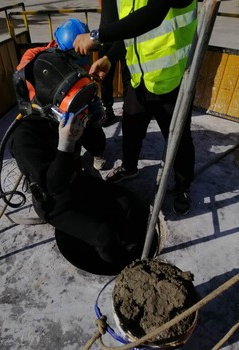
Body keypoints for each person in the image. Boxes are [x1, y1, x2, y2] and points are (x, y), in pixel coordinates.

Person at [9, 46, 153, 274]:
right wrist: (65, 146)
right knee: (104, 236)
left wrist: (93, 124)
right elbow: (53, 186)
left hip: (77, 180)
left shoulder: (63, 114)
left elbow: (96, 147)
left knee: (129, 203)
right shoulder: (24, 136)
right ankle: (124, 273)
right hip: (54, 202)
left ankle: (132, 252)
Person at [73, 0, 197, 215]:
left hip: (173, 80)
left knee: (178, 139)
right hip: (139, 78)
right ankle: (129, 168)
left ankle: (183, 186)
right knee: (132, 128)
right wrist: (110, 58)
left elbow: (152, 16)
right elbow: (131, 32)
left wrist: (95, 36)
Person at [16, 18, 106, 171]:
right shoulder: (35, 57)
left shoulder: (80, 59)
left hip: (73, 106)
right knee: (54, 146)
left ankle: (96, 152)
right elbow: (23, 80)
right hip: (45, 111)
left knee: (91, 125)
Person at [97, 0, 131, 127]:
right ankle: (108, 110)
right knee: (105, 77)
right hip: (107, 32)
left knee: (128, 76)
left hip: (126, 32)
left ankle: (127, 110)